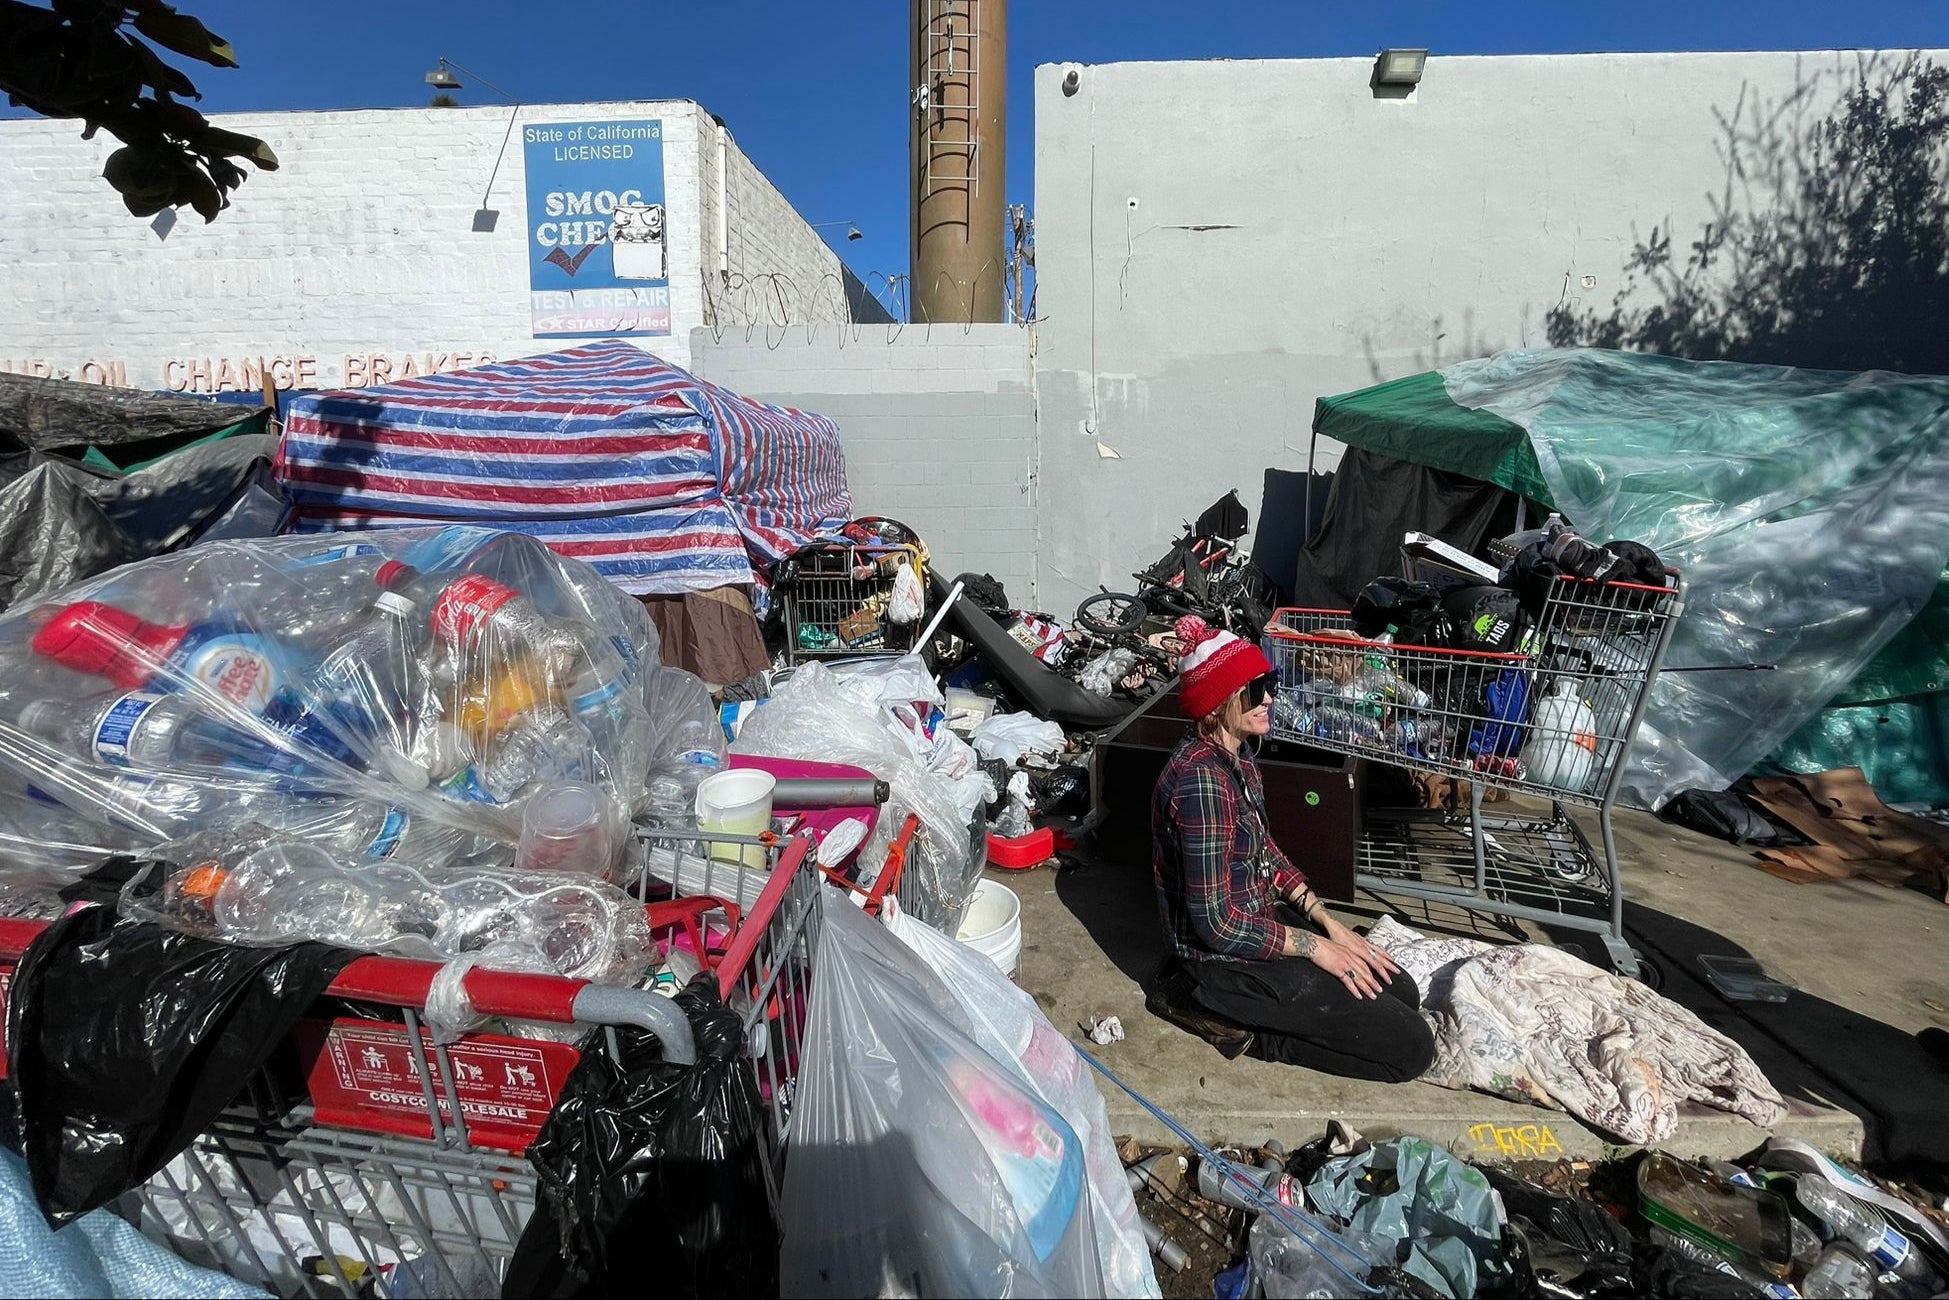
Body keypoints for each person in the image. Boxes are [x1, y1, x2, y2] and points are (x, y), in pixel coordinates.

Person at [1148, 616, 1436, 1082]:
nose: (1269, 697)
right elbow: (1216, 925)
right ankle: (1227, 1021)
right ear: (1218, 703)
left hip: (1257, 921)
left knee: (1402, 990)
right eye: (1254, 688)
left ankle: (1281, 995)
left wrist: (1330, 924)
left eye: (1270, 682)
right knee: (1412, 1051)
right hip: (1221, 959)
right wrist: (1313, 948)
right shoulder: (1201, 783)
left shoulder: (1239, 756)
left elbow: (1266, 852)